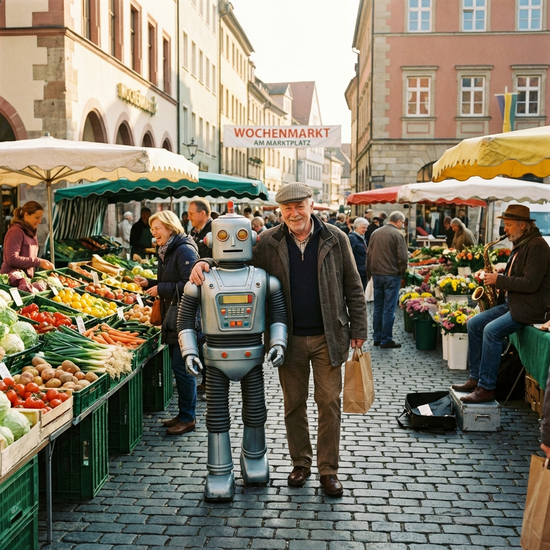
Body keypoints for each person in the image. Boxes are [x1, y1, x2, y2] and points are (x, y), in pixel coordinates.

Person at [189, 182, 368, 497]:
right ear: (281, 211)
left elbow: (353, 286)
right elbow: (234, 261)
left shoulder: (335, 238)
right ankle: (301, 463)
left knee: (329, 402)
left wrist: (358, 332)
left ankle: (329, 471)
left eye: (300, 206)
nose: (294, 213)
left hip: (329, 335)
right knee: (293, 404)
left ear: (310, 205)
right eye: (288, 208)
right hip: (289, 337)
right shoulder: (269, 242)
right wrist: (205, 263)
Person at [452, 204, 550, 404]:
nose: (504, 230)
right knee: (474, 324)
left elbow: (531, 284)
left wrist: (499, 280)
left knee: (491, 331)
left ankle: (487, 388)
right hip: (513, 303)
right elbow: (519, 276)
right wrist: (500, 275)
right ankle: (476, 378)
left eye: (508, 225)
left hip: (529, 308)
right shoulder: (523, 243)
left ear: (523, 226)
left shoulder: (537, 246)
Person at [134, 211, 199, 434]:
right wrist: (150, 282)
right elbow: (171, 280)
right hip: (174, 315)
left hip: (185, 317)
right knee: (179, 368)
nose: (153, 233)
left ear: (170, 228)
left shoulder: (183, 250)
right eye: (152, 229)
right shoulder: (168, 250)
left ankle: (188, 418)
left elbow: (192, 284)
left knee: (183, 369)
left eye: (157, 228)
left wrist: (161, 288)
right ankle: (183, 414)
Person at [366, 211, 408, 349]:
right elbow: (402, 257)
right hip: (391, 275)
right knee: (389, 308)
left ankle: (377, 337)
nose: (403, 225)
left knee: (378, 307)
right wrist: (402, 272)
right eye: (403, 222)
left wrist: (369, 273)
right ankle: (385, 339)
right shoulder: (397, 234)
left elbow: (369, 254)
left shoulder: (375, 233)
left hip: (377, 274)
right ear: (399, 221)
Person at [0, 201, 54, 277]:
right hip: (11, 281)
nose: (39, 221)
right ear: (26, 215)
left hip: (25, 280)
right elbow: (12, 259)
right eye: (37, 217)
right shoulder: (15, 231)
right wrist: (38, 262)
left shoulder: (31, 231)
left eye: (40, 217)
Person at [348, 217, 368, 289]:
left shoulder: (362, 238)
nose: (365, 230)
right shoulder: (352, 238)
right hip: (357, 270)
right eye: (363, 228)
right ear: (356, 227)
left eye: (366, 228)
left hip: (362, 270)